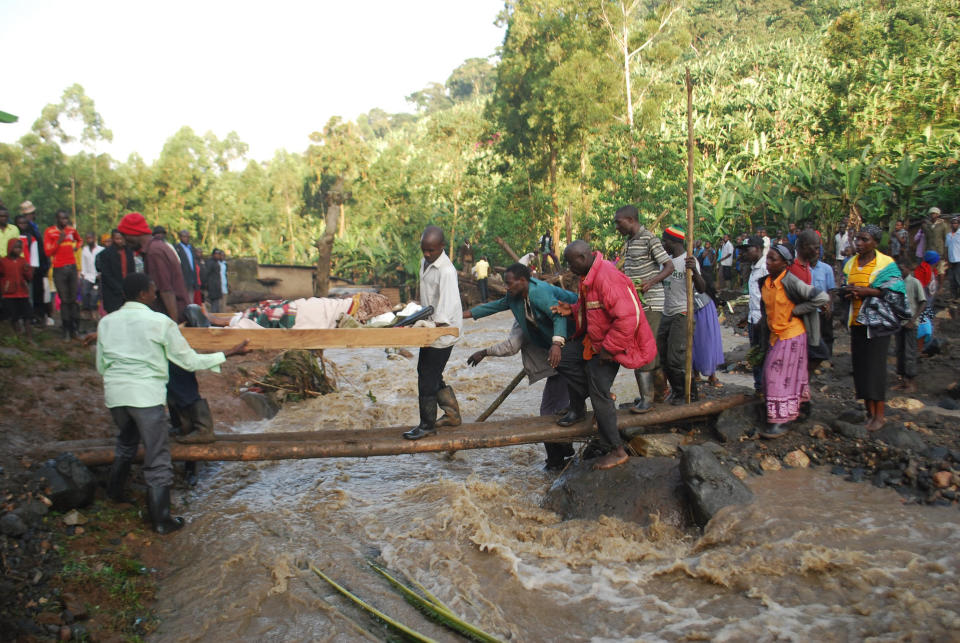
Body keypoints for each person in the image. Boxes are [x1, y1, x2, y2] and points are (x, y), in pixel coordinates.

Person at [97, 272, 249, 534]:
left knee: (125, 443)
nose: (156, 293)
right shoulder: (160, 322)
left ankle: (114, 494)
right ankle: (161, 519)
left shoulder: (106, 322)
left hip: (116, 395)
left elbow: (101, 365)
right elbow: (188, 361)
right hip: (145, 397)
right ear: (144, 294)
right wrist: (228, 353)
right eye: (153, 289)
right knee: (157, 457)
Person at [551, 240, 657, 470]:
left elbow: (629, 318)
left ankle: (616, 450)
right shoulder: (589, 275)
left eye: (570, 263)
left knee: (599, 393)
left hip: (611, 345)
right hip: (596, 341)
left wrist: (609, 349)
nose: (569, 268)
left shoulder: (607, 277)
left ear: (583, 258)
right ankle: (588, 404)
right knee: (563, 359)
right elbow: (595, 308)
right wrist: (573, 310)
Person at [463, 262, 578, 469]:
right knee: (556, 406)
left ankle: (557, 458)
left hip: (570, 344)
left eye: (509, 283)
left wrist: (556, 344)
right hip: (556, 354)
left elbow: (558, 315)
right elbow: (495, 306)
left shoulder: (539, 294)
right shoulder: (517, 301)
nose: (506, 287)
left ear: (523, 281)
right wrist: (465, 316)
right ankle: (562, 452)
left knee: (551, 409)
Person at [118, 212, 214, 446]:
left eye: (124, 235)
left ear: (133, 233)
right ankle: (184, 425)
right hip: (170, 318)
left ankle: (202, 427)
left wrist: (170, 324)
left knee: (178, 374)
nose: (123, 240)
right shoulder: (160, 247)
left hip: (169, 318)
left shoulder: (154, 252)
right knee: (173, 374)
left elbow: (166, 290)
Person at [756, 244, 828, 438]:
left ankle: (779, 421)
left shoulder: (791, 282)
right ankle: (796, 410)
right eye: (768, 259)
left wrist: (796, 311)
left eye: (773, 259)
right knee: (779, 376)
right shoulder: (765, 282)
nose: (768, 263)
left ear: (785, 264)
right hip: (775, 335)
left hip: (792, 334)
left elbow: (821, 297)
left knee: (775, 375)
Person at [842, 225, 909, 432]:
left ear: (875, 242)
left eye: (864, 240)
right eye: (858, 239)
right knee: (861, 368)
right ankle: (869, 413)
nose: (859, 243)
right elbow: (846, 285)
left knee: (876, 369)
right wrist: (849, 292)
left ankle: (880, 415)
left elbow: (896, 293)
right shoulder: (850, 263)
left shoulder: (886, 264)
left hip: (877, 325)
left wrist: (867, 292)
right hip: (857, 323)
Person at [403, 226, 463, 440]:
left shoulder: (447, 271)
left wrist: (428, 327)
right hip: (429, 324)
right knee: (427, 371)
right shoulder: (424, 263)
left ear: (442, 247)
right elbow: (429, 297)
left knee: (427, 377)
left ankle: (427, 425)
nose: (427, 255)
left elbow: (445, 309)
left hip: (443, 330)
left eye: (431, 251)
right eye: (424, 250)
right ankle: (452, 414)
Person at [613, 205, 673, 413]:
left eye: (618, 222)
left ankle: (648, 399)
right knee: (648, 348)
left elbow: (669, 266)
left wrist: (650, 282)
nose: (616, 226)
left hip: (651, 303)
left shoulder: (649, 239)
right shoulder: (630, 242)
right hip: (636, 304)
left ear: (630, 219)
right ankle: (658, 394)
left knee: (642, 348)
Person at [658, 227, 706, 404]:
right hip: (666, 312)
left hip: (682, 312)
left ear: (673, 242)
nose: (663, 245)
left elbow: (702, 289)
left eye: (664, 241)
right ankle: (677, 391)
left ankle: (689, 393)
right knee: (662, 356)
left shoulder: (689, 261)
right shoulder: (667, 261)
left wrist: (695, 272)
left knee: (676, 358)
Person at [43, 210, 82, 339]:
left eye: (66, 218)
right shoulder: (50, 232)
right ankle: (66, 329)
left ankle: (75, 328)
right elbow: (48, 252)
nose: (64, 221)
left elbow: (79, 240)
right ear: (57, 219)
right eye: (62, 218)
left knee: (73, 299)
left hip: (72, 267)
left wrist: (76, 247)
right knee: (64, 299)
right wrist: (58, 241)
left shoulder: (71, 230)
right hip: (59, 268)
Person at [893, 259, 926, 394]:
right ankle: (903, 381)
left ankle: (911, 382)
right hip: (899, 323)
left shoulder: (914, 282)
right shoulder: (896, 283)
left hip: (910, 323)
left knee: (910, 352)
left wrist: (913, 319)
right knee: (899, 351)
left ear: (908, 269)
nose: (900, 272)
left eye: (902, 269)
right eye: (898, 269)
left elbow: (922, 302)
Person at [804, 231, 836, 367]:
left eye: (817, 251)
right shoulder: (802, 269)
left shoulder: (826, 269)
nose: (815, 254)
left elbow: (831, 289)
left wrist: (829, 304)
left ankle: (826, 358)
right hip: (809, 308)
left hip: (823, 307)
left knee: (826, 332)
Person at [741, 236, 768, 393]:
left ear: (757, 249)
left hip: (762, 320)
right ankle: (759, 388)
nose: (745, 253)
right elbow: (755, 296)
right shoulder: (754, 268)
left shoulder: (765, 267)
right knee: (756, 355)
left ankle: (764, 388)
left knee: (762, 354)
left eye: (747, 249)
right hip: (753, 318)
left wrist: (764, 318)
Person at [19, 201, 50, 325]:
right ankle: (33, 316)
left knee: (39, 291)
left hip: (38, 263)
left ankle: (38, 315)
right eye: (29, 214)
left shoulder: (34, 227)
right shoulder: (27, 229)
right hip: (31, 264)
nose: (32, 215)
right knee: (33, 292)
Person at [691, 283, 724, 389]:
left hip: (702, 304)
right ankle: (695, 373)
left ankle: (712, 375)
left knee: (706, 339)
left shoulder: (694, 267)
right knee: (691, 340)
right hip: (681, 304)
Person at [96, 229, 136, 314]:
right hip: (112, 292)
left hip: (128, 290)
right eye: (117, 239)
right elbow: (106, 274)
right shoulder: (105, 254)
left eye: (122, 239)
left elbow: (132, 270)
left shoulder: (129, 252)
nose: (120, 241)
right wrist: (118, 288)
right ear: (113, 239)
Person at [0, 239, 33, 339]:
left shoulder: (23, 261)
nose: (18, 250)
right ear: (10, 248)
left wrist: (27, 270)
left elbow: (29, 277)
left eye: (20, 248)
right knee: (13, 316)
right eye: (16, 247)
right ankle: (18, 336)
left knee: (27, 316)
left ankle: (29, 337)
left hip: (22, 292)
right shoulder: (3, 262)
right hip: (9, 293)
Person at [80, 231, 104, 323]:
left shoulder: (101, 249)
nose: (89, 240)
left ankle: (95, 313)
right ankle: (87, 312)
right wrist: (83, 273)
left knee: (95, 295)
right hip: (88, 276)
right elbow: (83, 262)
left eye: (90, 238)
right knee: (85, 293)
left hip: (97, 276)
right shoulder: (85, 250)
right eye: (87, 238)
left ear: (94, 238)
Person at [922, 207, 948, 287]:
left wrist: (945, 252)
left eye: (934, 213)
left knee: (941, 270)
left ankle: (940, 287)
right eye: (931, 213)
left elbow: (945, 239)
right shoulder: (926, 225)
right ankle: (931, 286)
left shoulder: (943, 225)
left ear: (938, 215)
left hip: (940, 250)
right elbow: (926, 239)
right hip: (930, 250)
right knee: (930, 270)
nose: (933, 215)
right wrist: (924, 251)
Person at [175, 230, 200, 302]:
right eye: (184, 236)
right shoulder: (177, 248)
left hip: (192, 278)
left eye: (188, 237)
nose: (186, 238)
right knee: (183, 301)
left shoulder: (191, 248)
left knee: (191, 300)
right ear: (180, 237)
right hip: (183, 278)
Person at [202, 249, 229, 313]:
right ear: (213, 254)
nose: (217, 256)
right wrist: (206, 286)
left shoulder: (217, 263)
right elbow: (205, 274)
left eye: (218, 254)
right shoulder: (210, 262)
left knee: (217, 306)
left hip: (217, 288)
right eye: (216, 254)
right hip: (211, 288)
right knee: (212, 307)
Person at [946, 216, 960, 299]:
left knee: (958, 279)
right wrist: (947, 259)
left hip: (959, 260)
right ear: (950, 224)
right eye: (952, 223)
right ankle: (954, 296)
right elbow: (946, 247)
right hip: (951, 260)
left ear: (958, 224)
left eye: (956, 223)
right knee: (952, 279)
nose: (954, 224)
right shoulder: (948, 235)